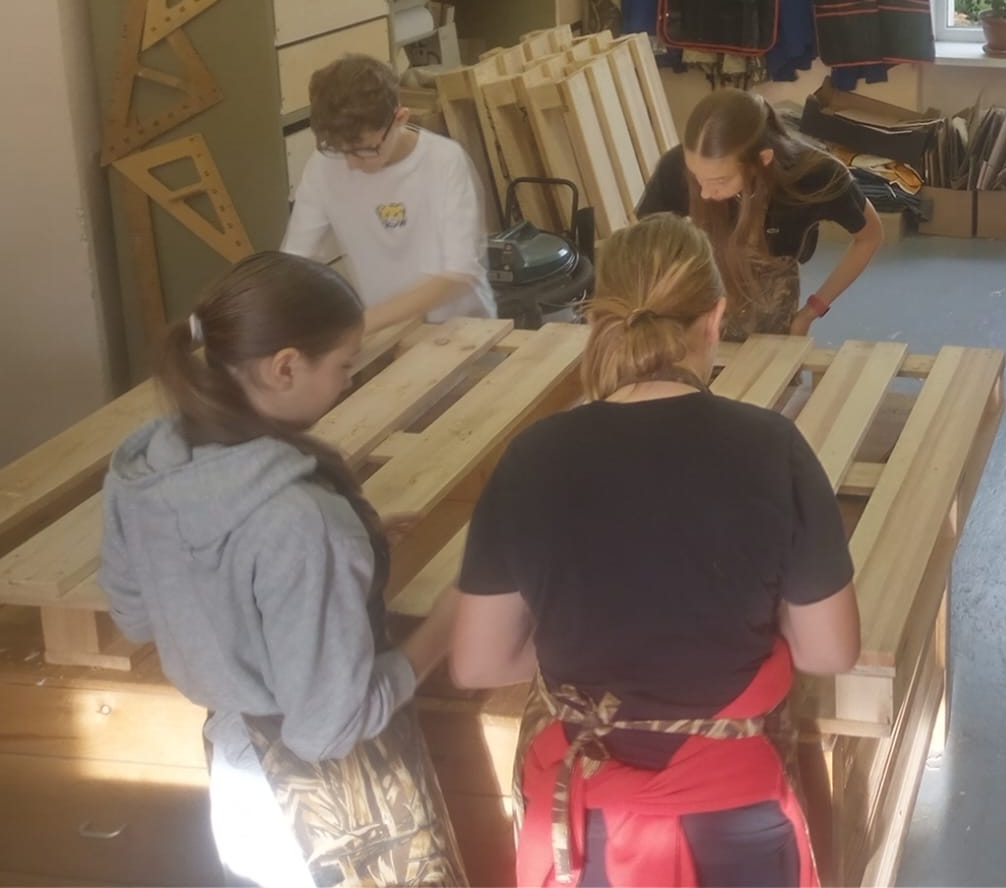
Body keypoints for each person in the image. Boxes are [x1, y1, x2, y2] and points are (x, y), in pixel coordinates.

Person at [448, 214, 860, 887]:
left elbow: (479, 661)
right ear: (716, 317)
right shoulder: (771, 448)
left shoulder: (533, 457)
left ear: (597, 319)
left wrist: (587, 655)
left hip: (590, 829)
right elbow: (830, 651)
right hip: (731, 819)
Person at [99, 252, 463, 888]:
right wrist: (446, 623)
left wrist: (338, 555)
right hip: (313, 820)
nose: (348, 379)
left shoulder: (151, 460)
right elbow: (327, 727)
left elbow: (135, 612)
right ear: (286, 366)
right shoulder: (301, 521)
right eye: (344, 364)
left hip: (236, 780)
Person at [636, 89, 881, 337]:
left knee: (770, 361)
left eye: (720, 181)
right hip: (701, 296)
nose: (705, 193)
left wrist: (811, 311)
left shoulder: (815, 176)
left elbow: (869, 236)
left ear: (763, 159)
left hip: (772, 302)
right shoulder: (675, 166)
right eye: (696, 176)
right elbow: (643, 243)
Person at [282, 55, 492, 333]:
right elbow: (296, 260)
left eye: (366, 149)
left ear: (400, 119)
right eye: (340, 150)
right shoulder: (324, 166)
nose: (351, 164)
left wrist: (358, 326)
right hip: (385, 331)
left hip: (460, 329)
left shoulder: (444, 161)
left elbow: (460, 275)